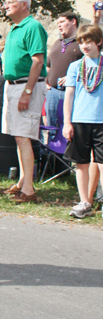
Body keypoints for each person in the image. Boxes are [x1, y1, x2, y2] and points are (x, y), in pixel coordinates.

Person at [0, 0, 47, 203]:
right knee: (19, 136)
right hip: (12, 86)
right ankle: (22, 181)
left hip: (26, 86)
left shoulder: (33, 27)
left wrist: (27, 92)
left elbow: (38, 61)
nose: (5, 5)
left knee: (23, 136)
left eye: (10, 2)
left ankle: (28, 190)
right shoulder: (14, 28)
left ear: (24, 5)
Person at [62, 24, 103, 219]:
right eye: (81, 42)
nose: (84, 46)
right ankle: (85, 201)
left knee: (102, 163)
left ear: (99, 42)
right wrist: (67, 122)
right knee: (81, 163)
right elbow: (69, 96)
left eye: (88, 42)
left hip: (100, 121)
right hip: (79, 120)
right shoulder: (75, 66)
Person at [45, 12, 83, 141]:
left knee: (69, 132)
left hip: (71, 93)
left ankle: (67, 160)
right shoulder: (57, 42)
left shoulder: (82, 43)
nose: (59, 25)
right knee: (52, 131)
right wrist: (46, 80)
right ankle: (52, 160)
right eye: (58, 23)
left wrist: (73, 77)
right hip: (53, 93)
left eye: (62, 22)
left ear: (73, 22)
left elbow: (88, 65)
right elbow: (48, 65)